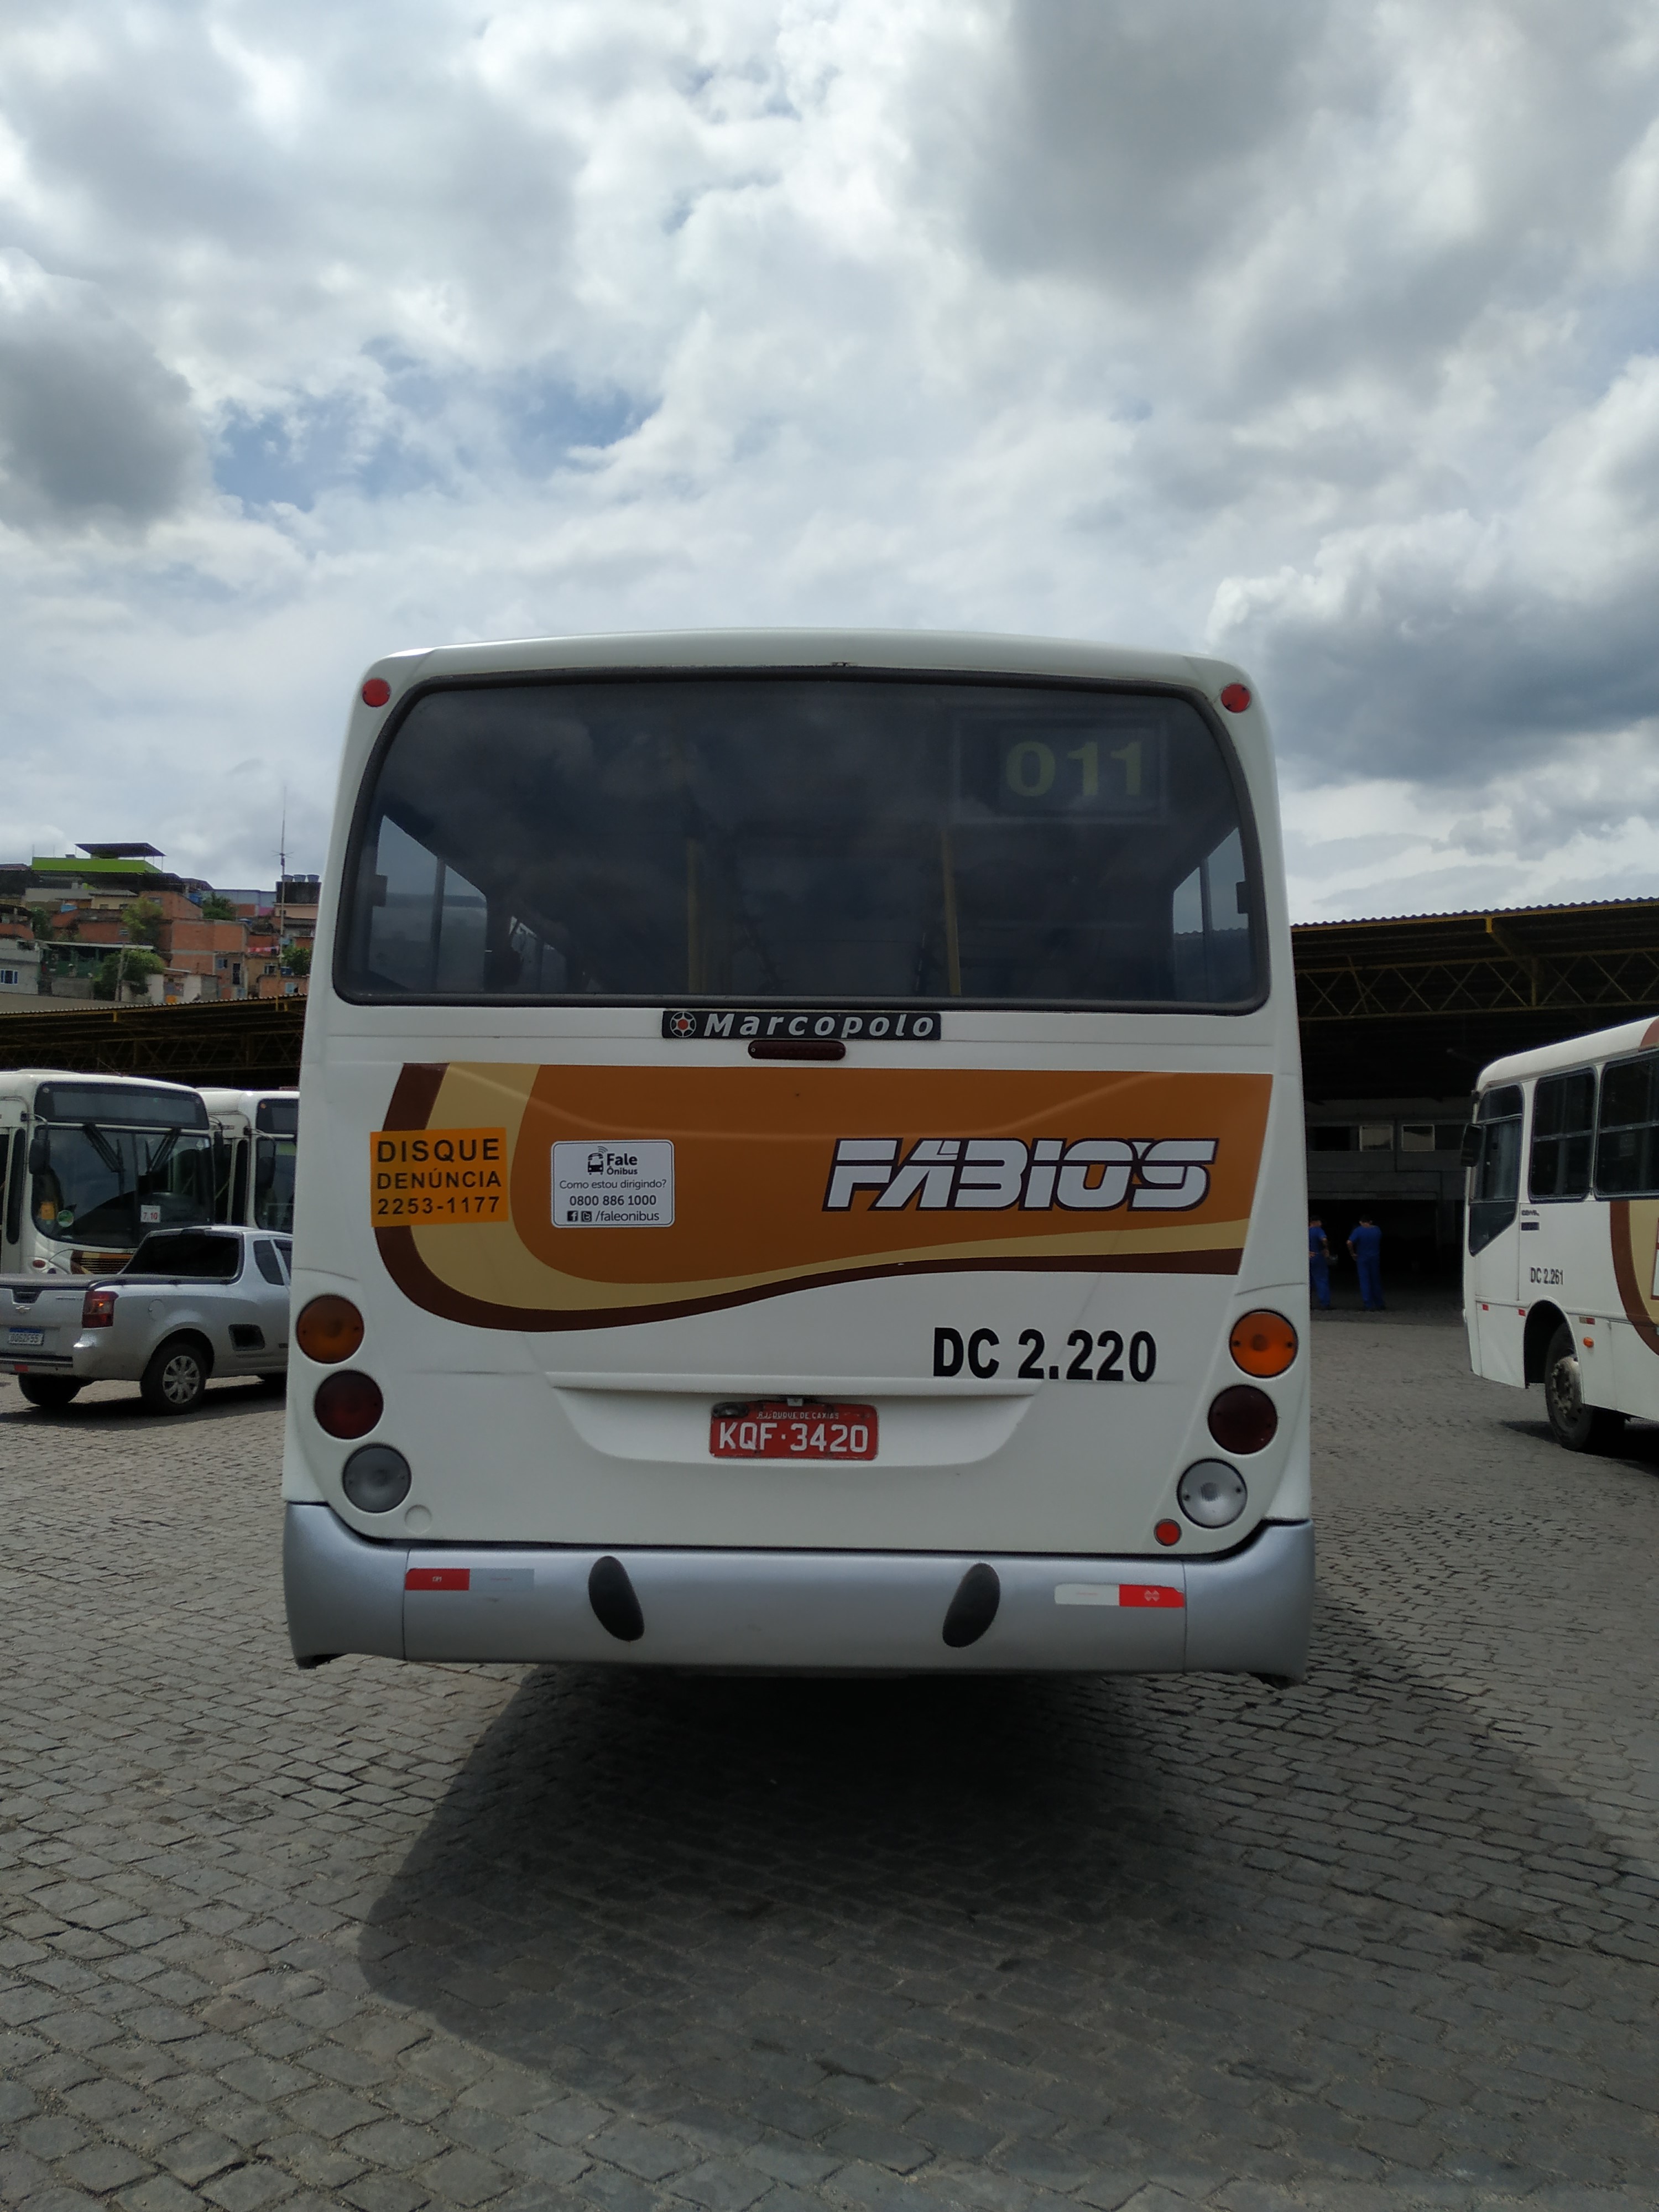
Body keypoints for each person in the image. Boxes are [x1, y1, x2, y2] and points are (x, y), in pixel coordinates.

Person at [1348, 1214, 1385, 1311]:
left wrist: (1353, 1253)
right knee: (1375, 1281)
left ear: (1361, 1222)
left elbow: (1349, 1242)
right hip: (1375, 1257)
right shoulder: (1377, 1230)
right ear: (1371, 1222)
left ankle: (1368, 1304)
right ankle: (1379, 1303)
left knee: (1365, 1281)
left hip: (1362, 1258)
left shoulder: (1358, 1230)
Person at [1308, 1215, 1332, 1310]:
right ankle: (1324, 1303)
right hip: (1317, 1256)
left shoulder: (1304, 1230)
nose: (1321, 1224)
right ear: (1315, 1222)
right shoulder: (1318, 1230)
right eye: (1320, 1222)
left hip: (1306, 1258)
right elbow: (1324, 1239)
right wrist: (1326, 1249)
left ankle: (1307, 1304)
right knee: (1321, 1280)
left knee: (1307, 1282)